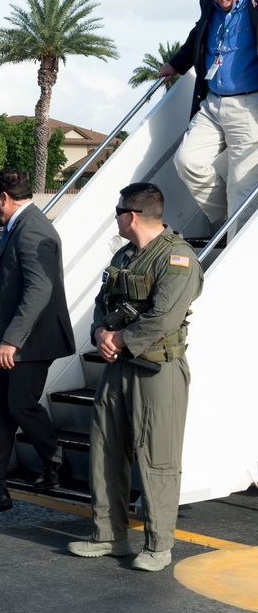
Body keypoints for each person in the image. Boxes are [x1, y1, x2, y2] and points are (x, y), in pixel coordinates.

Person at [68, 183, 204, 572]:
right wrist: (100, 335)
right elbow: (101, 304)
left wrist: (121, 340)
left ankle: (159, 545)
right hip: (119, 367)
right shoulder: (126, 255)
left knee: (157, 457)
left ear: (131, 216)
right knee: (106, 449)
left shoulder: (177, 259)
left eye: (118, 211)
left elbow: (165, 317)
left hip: (157, 370)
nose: (115, 216)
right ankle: (110, 536)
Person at [0, 167, 76, 518]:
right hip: (16, 340)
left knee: (19, 406)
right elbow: (11, 259)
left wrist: (11, 340)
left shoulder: (35, 229)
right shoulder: (20, 225)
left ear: (4, 197)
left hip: (31, 341)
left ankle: (55, 462)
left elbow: (39, 289)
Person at [160, 0, 258, 236]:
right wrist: (176, 64)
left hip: (249, 106)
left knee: (243, 183)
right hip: (212, 101)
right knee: (187, 161)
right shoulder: (209, 2)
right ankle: (226, 219)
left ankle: (235, 250)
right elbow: (197, 35)